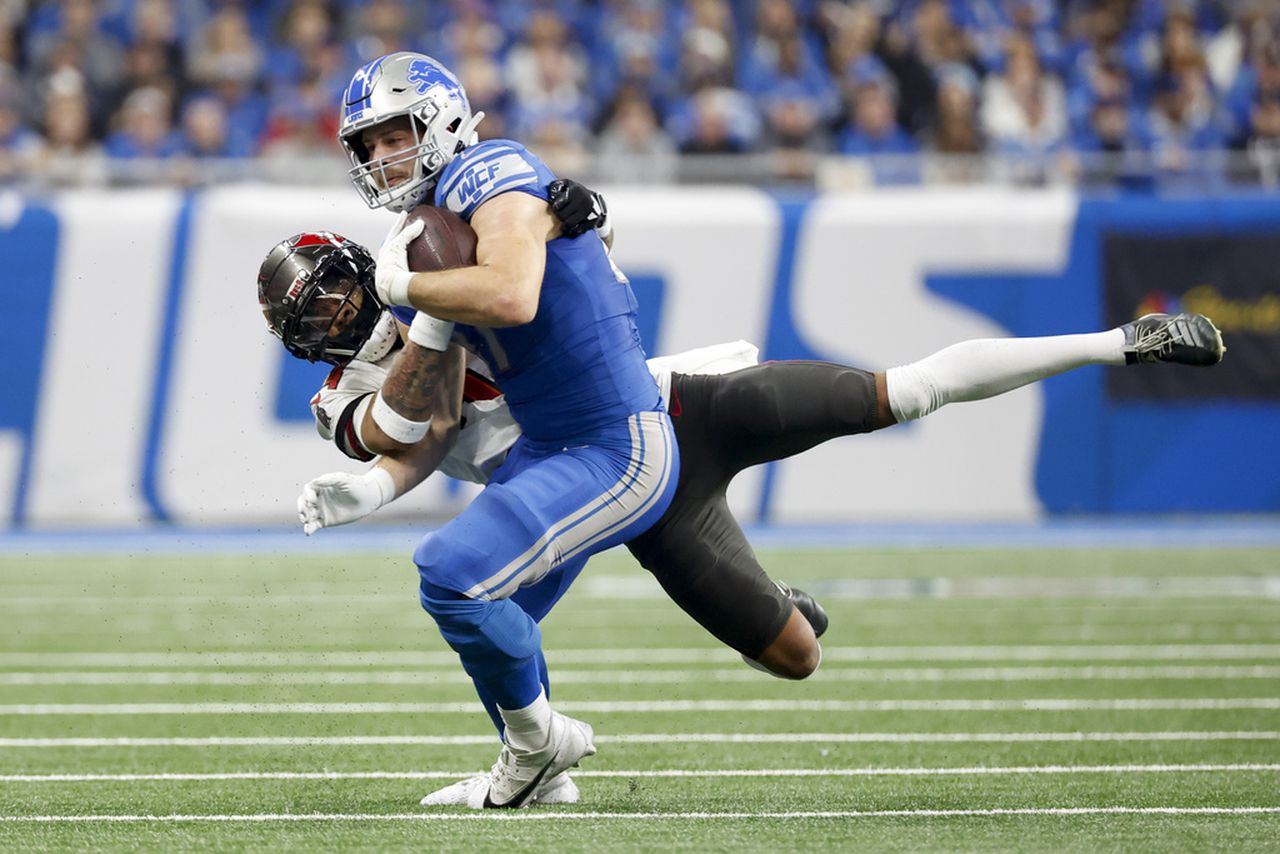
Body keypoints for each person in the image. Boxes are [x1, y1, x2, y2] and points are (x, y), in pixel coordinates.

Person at [259, 212, 1225, 808]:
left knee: (899, 390)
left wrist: (562, 221)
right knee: (789, 654)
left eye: (338, 291)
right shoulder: (363, 375)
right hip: (573, 490)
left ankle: (1120, 340)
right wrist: (375, 479)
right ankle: (540, 752)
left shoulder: (438, 266)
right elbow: (410, 430)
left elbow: (550, 276)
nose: (339, 315)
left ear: (359, 263)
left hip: (668, 413)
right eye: (317, 315)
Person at [323, 50, 680, 810]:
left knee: (452, 574)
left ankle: (540, 744)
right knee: (487, 607)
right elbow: (428, 413)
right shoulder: (442, 222)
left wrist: (408, 287)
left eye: (394, 137)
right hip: (552, 448)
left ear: (442, 120)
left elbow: (515, 295)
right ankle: (533, 773)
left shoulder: (479, 175)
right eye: (369, 147)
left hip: (609, 442)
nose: (382, 159)